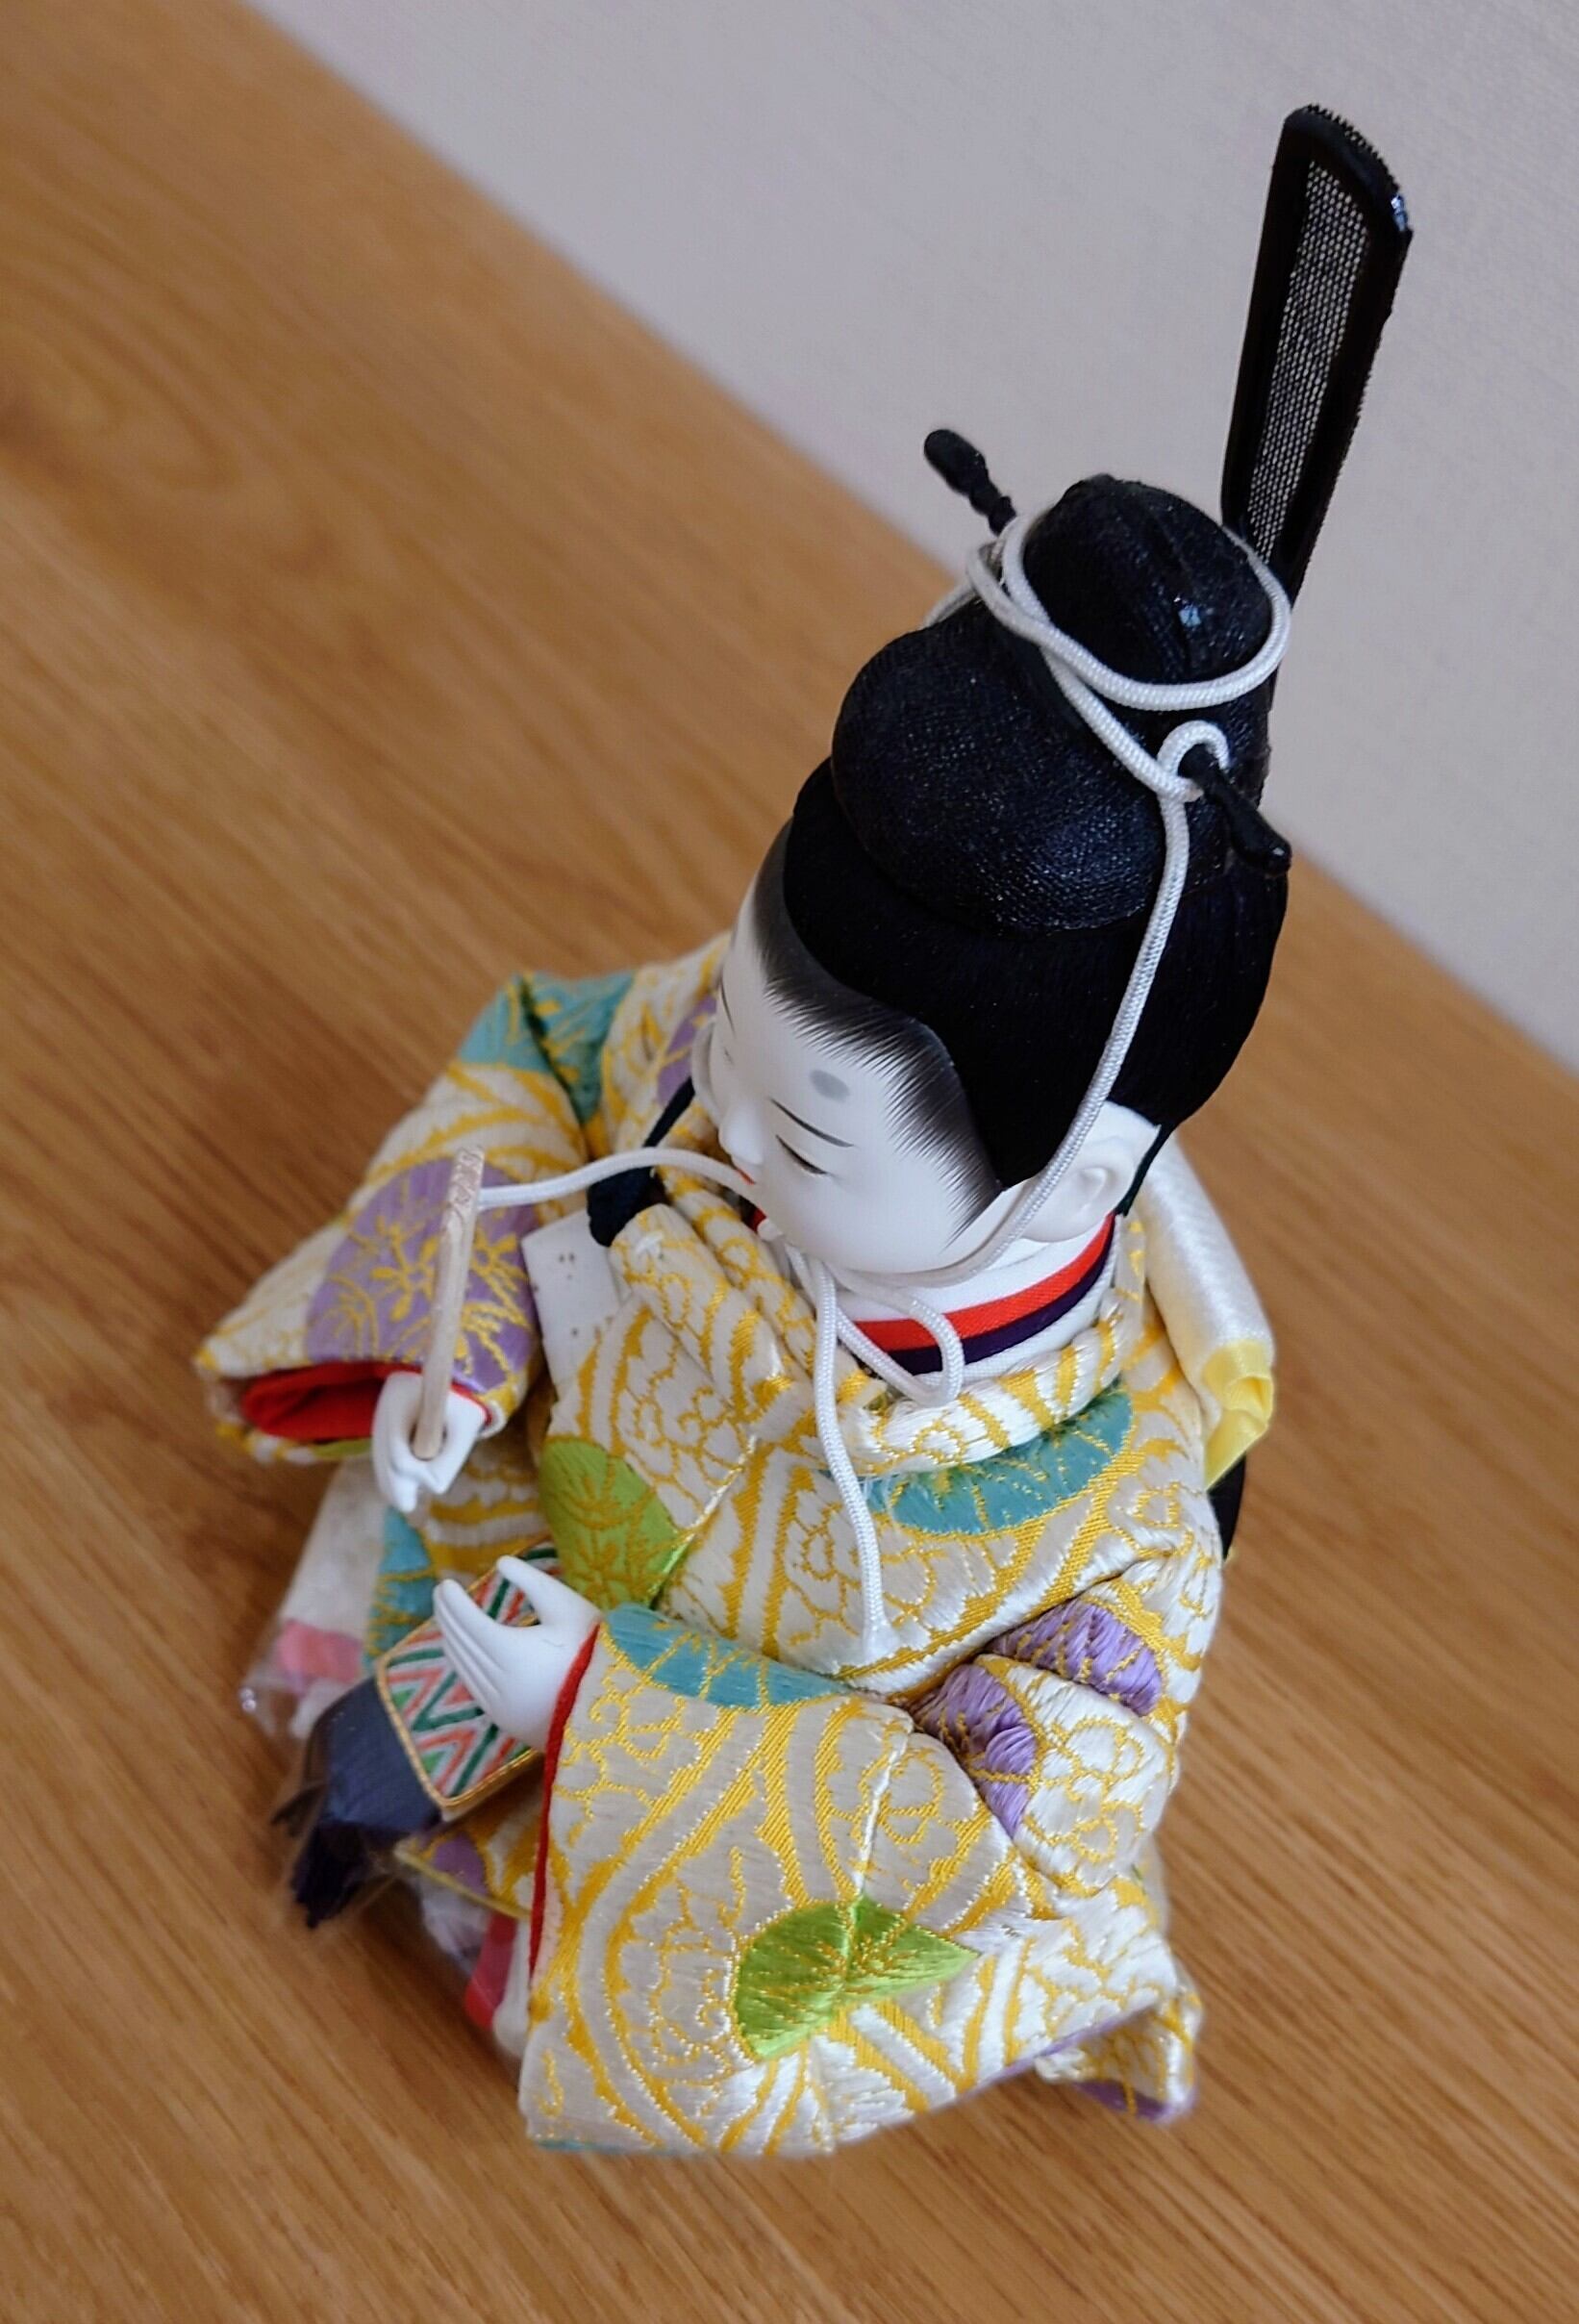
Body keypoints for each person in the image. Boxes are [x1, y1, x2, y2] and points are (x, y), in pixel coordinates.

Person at [196, 107, 1410, 2154]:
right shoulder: (709, 1065)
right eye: (740, 1045)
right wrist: (465, 1320)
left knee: (632, 1900)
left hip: (689, 1810)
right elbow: (545, 1062)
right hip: (515, 1565)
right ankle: (396, 1784)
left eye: (814, 1140)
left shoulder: (1105, 1512)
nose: (728, 1135)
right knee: (386, 1719)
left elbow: (1010, 1814)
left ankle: (517, 1859)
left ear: (1076, 1163)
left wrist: (615, 1713)